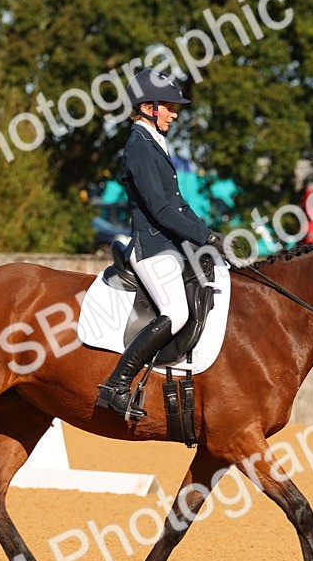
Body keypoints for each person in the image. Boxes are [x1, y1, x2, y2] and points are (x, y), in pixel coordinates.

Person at [95, 68, 224, 420]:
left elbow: (180, 204)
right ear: (149, 107)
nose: (175, 113)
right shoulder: (138, 147)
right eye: (169, 106)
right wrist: (205, 237)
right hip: (150, 249)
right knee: (177, 312)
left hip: (170, 245)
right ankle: (117, 384)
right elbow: (161, 208)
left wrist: (209, 236)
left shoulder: (155, 142)